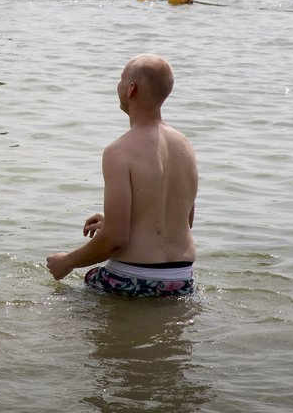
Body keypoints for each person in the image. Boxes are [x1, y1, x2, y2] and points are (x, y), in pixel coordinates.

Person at [46, 54, 198, 298]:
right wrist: (112, 221)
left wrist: (67, 262)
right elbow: (182, 221)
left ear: (131, 89)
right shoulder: (185, 146)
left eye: (121, 79)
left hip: (132, 279)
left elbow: (115, 239)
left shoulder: (119, 151)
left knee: (51, 305)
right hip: (181, 282)